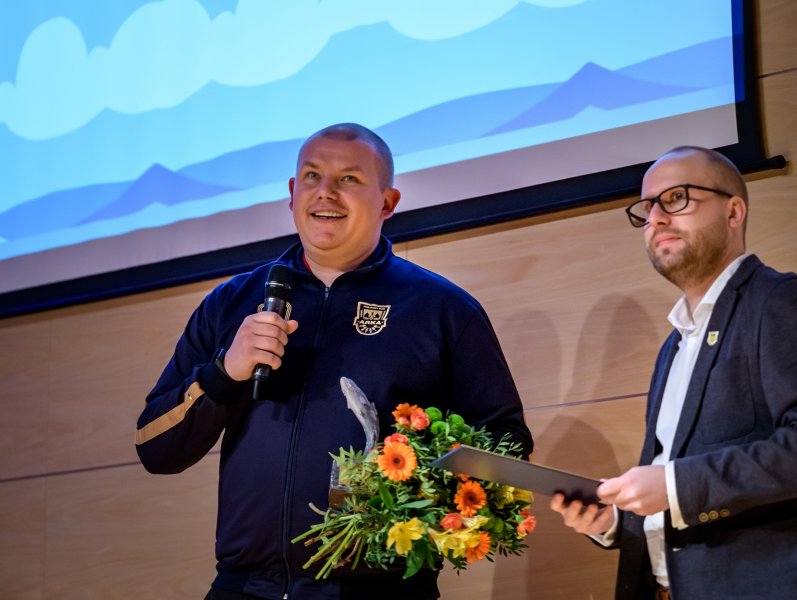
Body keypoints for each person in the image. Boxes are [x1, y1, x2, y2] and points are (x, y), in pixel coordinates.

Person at [135, 123, 533, 600]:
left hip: (380, 591)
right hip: (244, 588)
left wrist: (410, 480)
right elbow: (156, 449)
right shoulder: (231, 303)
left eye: (349, 179)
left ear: (387, 202)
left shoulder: (442, 309)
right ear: (291, 192)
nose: (325, 193)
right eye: (311, 176)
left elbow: (507, 449)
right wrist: (225, 372)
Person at [550, 146, 797, 599]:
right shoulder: (673, 345)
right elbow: (673, 486)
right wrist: (617, 522)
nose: (656, 217)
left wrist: (675, 485)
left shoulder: (783, 302)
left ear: (734, 211)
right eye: (647, 207)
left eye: (676, 198)